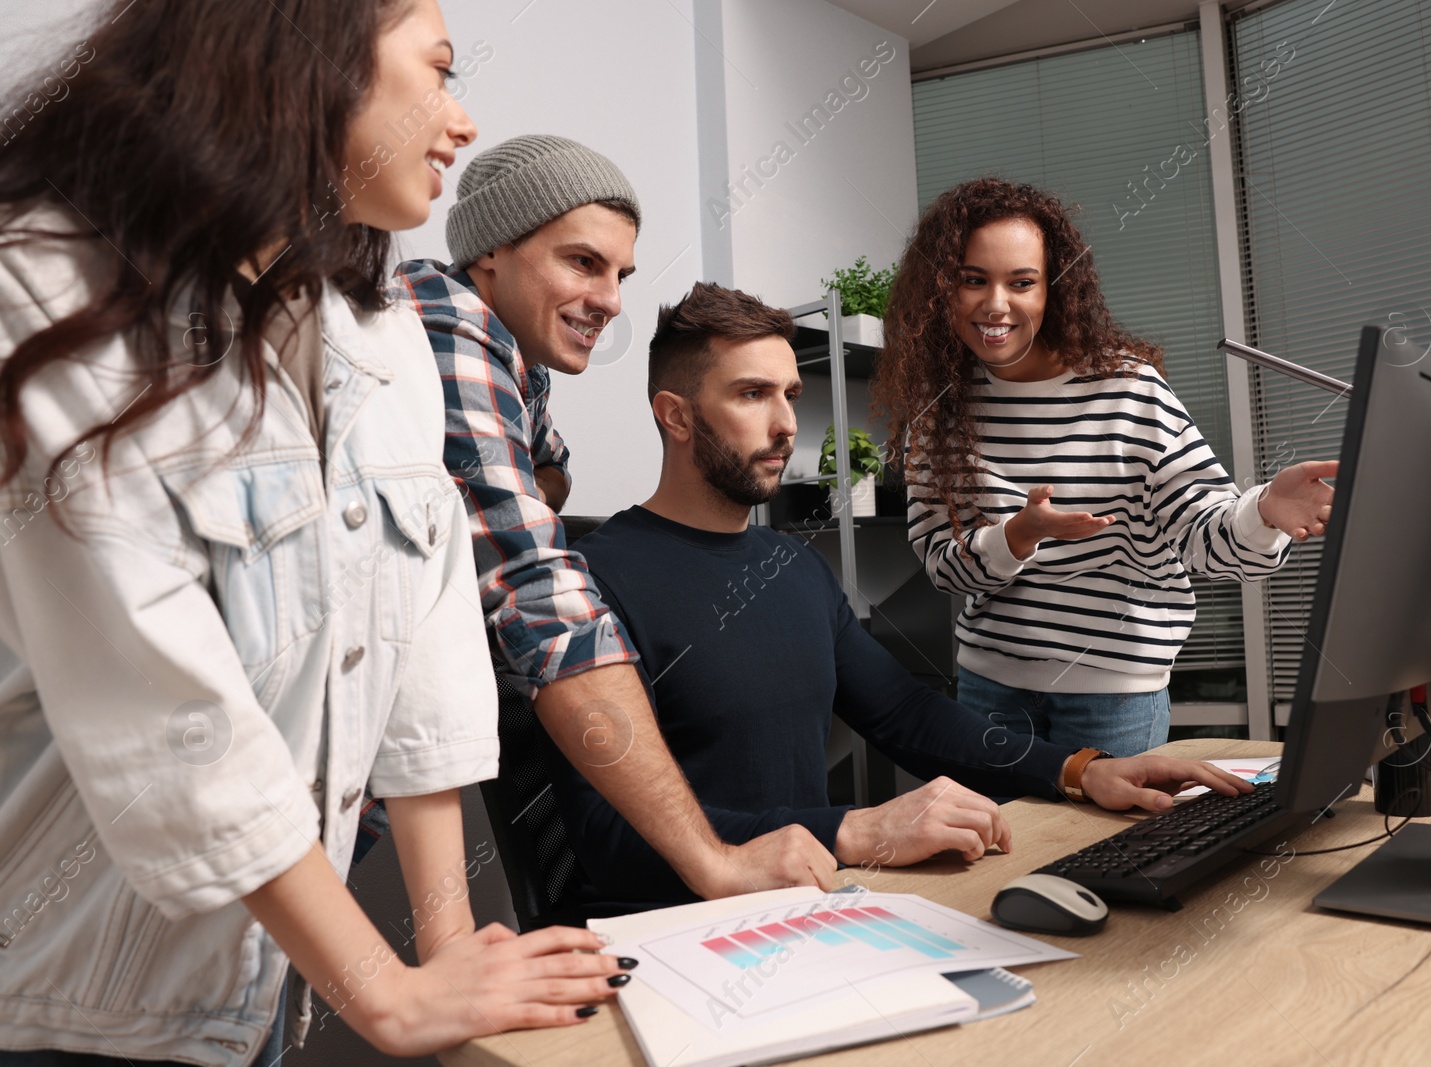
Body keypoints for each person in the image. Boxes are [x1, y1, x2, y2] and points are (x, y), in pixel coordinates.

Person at [0, 4, 630, 1064]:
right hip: (58, 1003)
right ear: (311, 59)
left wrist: (447, 951)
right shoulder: (42, 283)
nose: (461, 119)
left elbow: (427, 657)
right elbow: (169, 704)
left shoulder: (377, 328)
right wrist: (384, 992)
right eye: (436, 72)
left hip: (253, 999)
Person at [548, 281, 1254, 912]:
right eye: (751, 393)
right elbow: (605, 835)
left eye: (790, 394)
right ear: (675, 415)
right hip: (666, 935)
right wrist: (856, 828)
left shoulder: (792, 565)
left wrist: (1080, 769)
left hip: (802, 906)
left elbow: (908, 714)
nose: (787, 423)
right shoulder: (588, 581)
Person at [390, 136, 836, 911]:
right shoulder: (450, 331)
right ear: (493, 251)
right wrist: (715, 860)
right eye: (583, 263)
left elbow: (552, 469)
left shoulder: (516, 362)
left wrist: (498, 499)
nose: (612, 300)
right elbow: (540, 596)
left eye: (621, 275)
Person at [872, 178, 1337, 756]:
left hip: (1115, 700)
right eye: (973, 280)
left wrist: (1264, 512)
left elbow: (1200, 539)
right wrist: (1017, 536)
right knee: (1006, 849)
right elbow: (945, 570)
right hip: (989, 689)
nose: (996, 304)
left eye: (1022, 282)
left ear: (1054, 290)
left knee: (1114, 850)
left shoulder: (1128, 389)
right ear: (941, 290)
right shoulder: (938, 413)